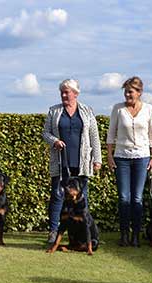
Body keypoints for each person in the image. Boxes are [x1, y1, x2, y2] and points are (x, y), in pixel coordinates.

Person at [42, 79, 102, 246]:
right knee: (57, 196)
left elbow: (94, 137)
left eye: (66, 92)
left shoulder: (87, 111)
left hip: (81, 162)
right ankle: (53, 231)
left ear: (75, 94)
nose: (63, 95)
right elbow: (45, 133)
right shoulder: (54, 111)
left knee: (83, 197)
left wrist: (97, 159)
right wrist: (54, 141)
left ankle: (83, 232)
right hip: (61, 162)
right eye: (62, 92)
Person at [106, 76, 152, 247]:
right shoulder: (118, 109)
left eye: (130, 91)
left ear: (139, 92)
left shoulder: (149, 109)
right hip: (121, 157)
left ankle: (136, 234)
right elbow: (110, 134)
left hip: (142, 158)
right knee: (123, 198)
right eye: (126, 91)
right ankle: (124, 235)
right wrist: (109, 156)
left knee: (137, 198)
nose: (127, 95)